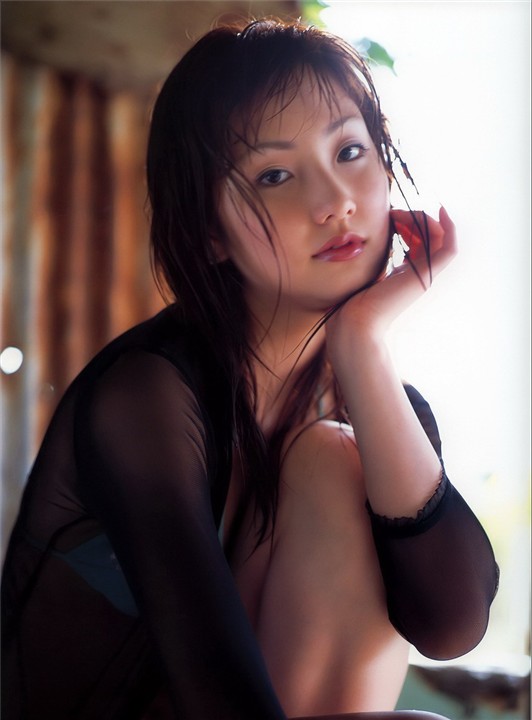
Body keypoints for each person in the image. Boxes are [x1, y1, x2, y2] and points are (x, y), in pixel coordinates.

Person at [1, 17, 499, 720]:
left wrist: (363, 342)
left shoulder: (372, 404)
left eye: (350, 151)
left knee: (339, 456)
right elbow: (217, 698)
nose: (335, 201)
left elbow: (450, 624)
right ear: (209, 230)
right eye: (274, 175)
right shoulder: (147, 398)